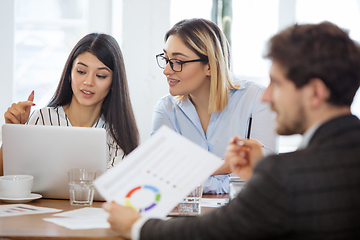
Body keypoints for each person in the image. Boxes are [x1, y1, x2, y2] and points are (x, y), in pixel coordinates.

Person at [103, 21, 360, 239]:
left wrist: (136, 226)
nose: (266, 96)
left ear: (315, 93)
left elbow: (213, 232)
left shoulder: (287, 175)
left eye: (277, 84)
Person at [152, 18, 277, 194]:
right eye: (166, 59)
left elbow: (265, 176)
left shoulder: (256, 99)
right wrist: (224, 166)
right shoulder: (166, 109)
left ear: (210, 66)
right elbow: (160, 177)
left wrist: (190, 176)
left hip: (242, 216)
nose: (166, 70)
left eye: (178, 61)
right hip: (181, 217)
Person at [0, 33, 139, 176]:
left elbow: (114, 188)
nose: (88, 82)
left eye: (101, 76)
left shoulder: (117, 131)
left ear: (113, 83)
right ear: (69, 74)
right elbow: (11, 177)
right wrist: (13, 135)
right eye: (81, 71)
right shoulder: (42, 118)